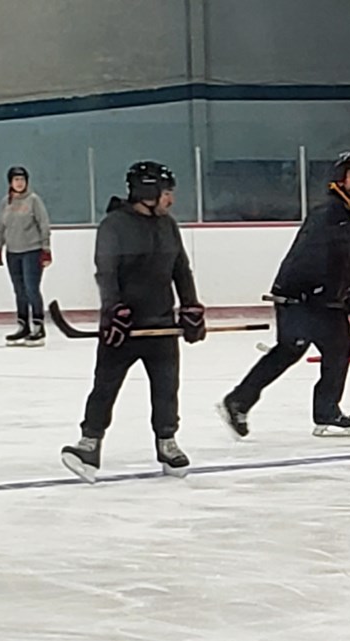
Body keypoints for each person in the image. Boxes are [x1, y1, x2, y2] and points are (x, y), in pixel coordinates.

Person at [60, 161, 206, 484]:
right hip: (122, 328)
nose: (172, 200)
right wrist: (113, 310)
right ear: (148, 192)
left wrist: (191, 307)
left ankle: (167, 442)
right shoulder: (114, 226)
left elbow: (181, 269)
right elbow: (106, 271)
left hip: (161, 324)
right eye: (167, 193)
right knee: (105, 386)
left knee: (167, 387)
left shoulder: (168, 225)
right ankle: (89, 443)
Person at [219, 150, 350, 438]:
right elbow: (306, 257)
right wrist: (315, 291)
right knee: (303, 349)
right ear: (339, 179)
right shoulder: (328, 213)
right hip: (302, 298)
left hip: (323, 299)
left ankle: (246, 401)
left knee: (329, 348)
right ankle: (244, 402)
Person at [0, 166, 52, 346]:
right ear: (10, 183)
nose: (19, 183)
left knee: (31, 289)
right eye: (16, 180)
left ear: (26, 182)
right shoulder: (6, 202)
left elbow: (43, 224)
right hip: (13, 252)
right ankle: (23, 326)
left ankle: (38, 326)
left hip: (32, 250)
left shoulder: (34, 200)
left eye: (22, 179)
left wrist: (46, 250)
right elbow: (2, 227)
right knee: (19, 290)